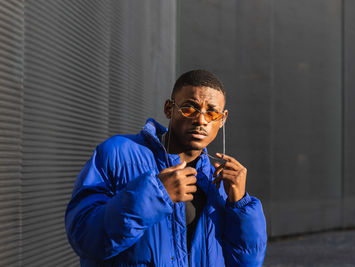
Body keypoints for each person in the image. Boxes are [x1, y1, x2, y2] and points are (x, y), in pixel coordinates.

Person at [65, 70, 267, 266]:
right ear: (169, 109)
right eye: (189, 108)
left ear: (222, 119)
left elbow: (247, 262)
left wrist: (241, 206)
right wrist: (156, 195)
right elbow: (83, 237)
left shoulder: (220, 180)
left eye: (212, 113)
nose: (201, 120)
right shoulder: (118, 153)